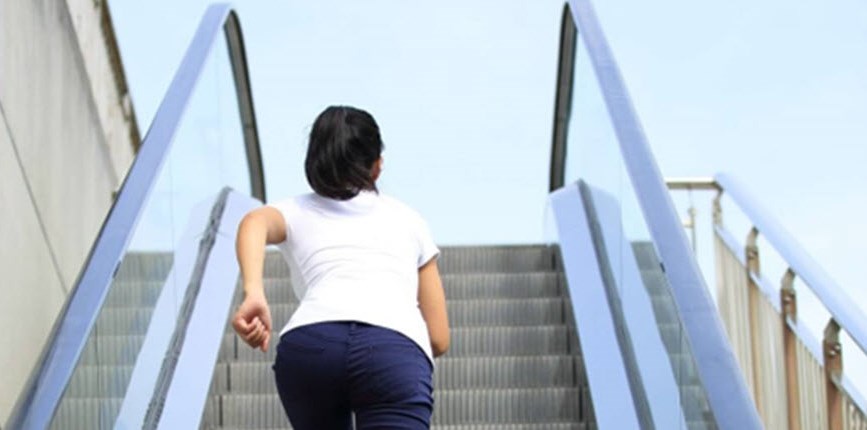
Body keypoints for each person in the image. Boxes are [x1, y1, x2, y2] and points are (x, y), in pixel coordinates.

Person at [231, 105, 449, 429]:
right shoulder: (410, 220)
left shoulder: (293, 210)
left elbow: (253, 222)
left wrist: (253, 291)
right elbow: (439, 338)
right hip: (393, 348)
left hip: (310, 344)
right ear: (377, 167)